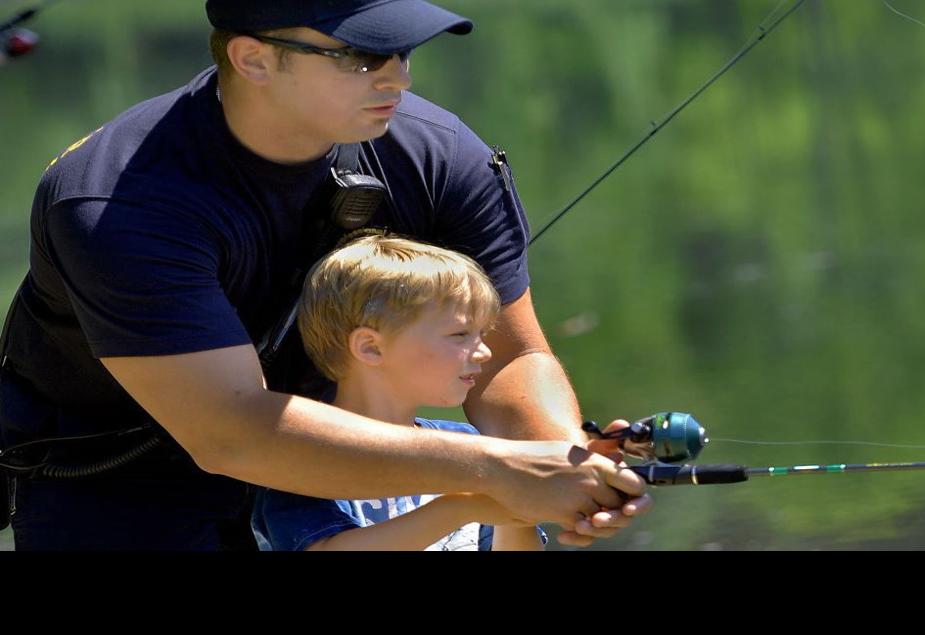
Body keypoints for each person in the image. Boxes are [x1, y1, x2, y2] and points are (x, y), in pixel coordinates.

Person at [0, 0, 649, 550]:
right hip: (125, 487)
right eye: (362, 57)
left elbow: (509, 356)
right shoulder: (117, 202)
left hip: (345, 459)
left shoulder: (439, 155)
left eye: (403, 54)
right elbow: (233, 435)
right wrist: (494, 467)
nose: (396, 79)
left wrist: (567, 463)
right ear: (254, 59)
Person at [252, 234, 546, 551]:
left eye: (481, 333)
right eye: (461, 334)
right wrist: (462, 506)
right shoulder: (303, 453)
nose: (484, 352)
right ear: (371, 347)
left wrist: (520, 507)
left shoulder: (471, 445)